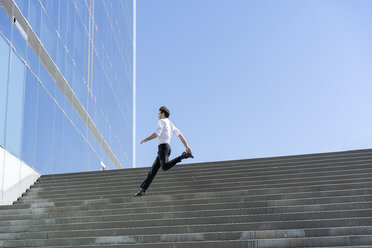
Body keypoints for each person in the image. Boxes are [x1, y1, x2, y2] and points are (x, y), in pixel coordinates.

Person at [134, 106, 194, 197]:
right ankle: (143, 189)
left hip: (163, 148)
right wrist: (186, 146)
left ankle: (183, 156)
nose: (158, 115)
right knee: (153, 170)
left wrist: (145, 140)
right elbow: (180, 135)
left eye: (159, 113)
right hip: (166, 148)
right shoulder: (170, 124)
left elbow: (157, 134)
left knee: (165, 167)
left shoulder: (161, 122)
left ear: (163, 114)